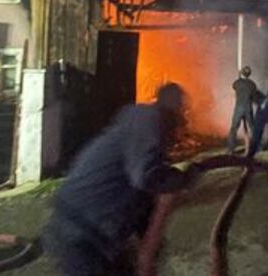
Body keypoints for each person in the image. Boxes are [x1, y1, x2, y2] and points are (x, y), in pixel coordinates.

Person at [46, 83, 201, 276]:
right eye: (181, 108)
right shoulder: (149, 120)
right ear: (174, 106)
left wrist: (150, 248)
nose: (182, 118)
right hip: (80, 233)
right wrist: (181, 178)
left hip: (97, 234)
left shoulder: (139, 132)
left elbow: (141, 197)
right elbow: (145, 177)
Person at [226, 65, 260, 153]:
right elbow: (254, 95)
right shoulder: (252, 84)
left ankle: (231, 148)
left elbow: (234, 86)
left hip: (239, 108)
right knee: (252, 128)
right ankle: (256, 147)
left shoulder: (237, 82)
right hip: (248, 108)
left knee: (234, 128)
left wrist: (239, 79)